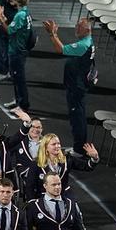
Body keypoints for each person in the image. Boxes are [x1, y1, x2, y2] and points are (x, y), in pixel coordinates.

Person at [42, 18, 95, 155]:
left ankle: (79, 149)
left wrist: (52, 34)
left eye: (80, 26)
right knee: (79, 116)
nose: (76, 27)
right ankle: (79, 146)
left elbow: (60, 49)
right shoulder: (88, 42)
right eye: (77, 25)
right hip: (79, 85)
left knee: (77, 118)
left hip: (76, 87)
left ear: (88, 30)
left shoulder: (83, 45)